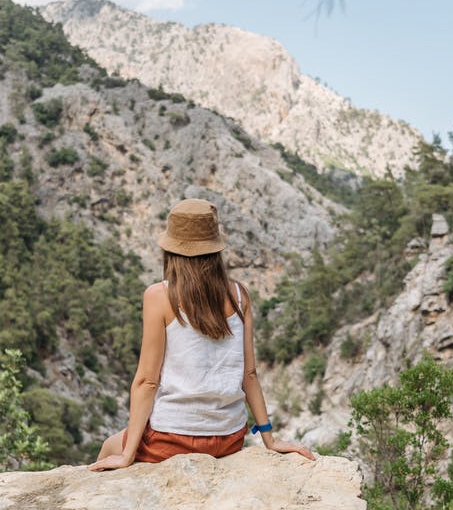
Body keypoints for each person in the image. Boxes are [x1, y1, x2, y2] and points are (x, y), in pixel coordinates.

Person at [88, 198, 314, 471]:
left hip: (172, 438)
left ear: (171, 249)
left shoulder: (159, 296)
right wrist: (270, 438)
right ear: (215, 249)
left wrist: (127, 453)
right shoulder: (240, 296)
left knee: (109, 447)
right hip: (228, 438)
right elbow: (249, 376)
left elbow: (147, 381)